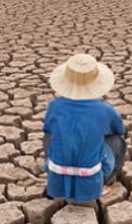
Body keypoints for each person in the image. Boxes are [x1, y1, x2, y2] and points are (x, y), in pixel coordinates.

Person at [43, 53, 126, 203]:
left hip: (57, 179)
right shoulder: (104, 110)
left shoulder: (54, 106)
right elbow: (119, 130)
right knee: (117, 141)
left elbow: (47, 128)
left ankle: (58, 179)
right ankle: (104, 181)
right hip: (91, 181)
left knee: (50, 135)